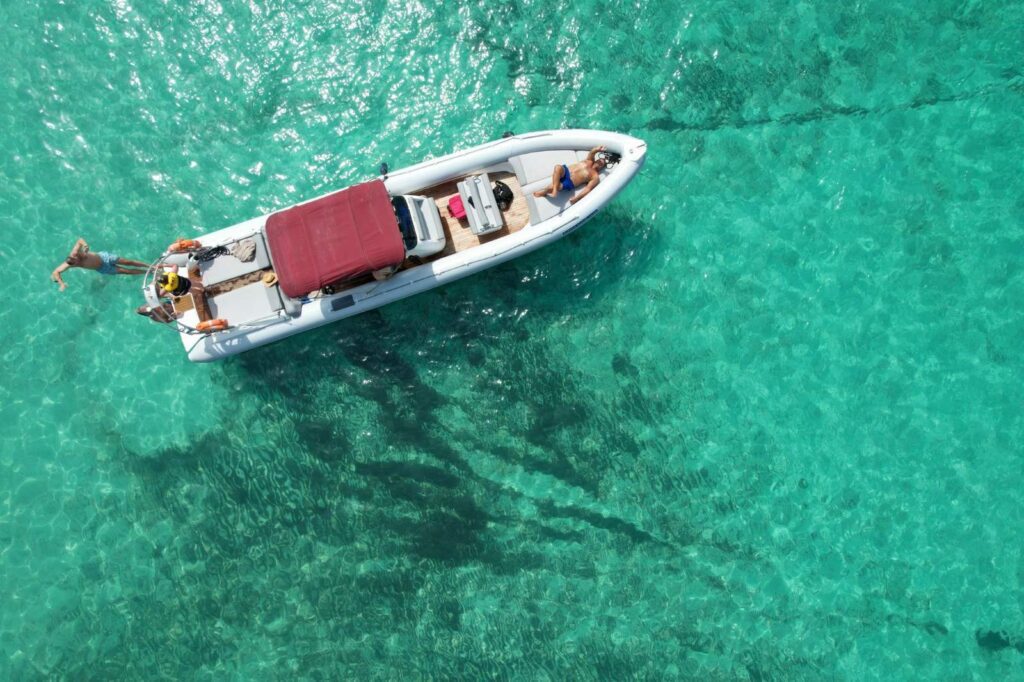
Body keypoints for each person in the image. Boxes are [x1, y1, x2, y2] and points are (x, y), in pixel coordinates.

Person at [532, 145, 620, 205]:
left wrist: (577, 199)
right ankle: (554, 190)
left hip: (570, 182)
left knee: (552, 187)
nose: (600, 163)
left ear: (602, 167)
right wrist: (598, 149)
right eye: (600, 160)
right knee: (557, 167)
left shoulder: (595, 176)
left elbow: (587, 189)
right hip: (565, 171)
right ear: (596, 160)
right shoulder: (589, 160)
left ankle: (545, 192)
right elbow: (592, 152)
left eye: (602, 164)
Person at [51, 238, 149, 291]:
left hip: (104, 257)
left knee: (128, 262)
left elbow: (79, 240)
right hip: (103, 268)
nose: (77, 261)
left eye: (76, 259)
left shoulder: (75, 252)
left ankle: (150, 266)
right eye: (75, 263)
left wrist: (85, 245)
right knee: (127, 271)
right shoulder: (70, 264)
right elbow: (56, 272)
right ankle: (147, 272)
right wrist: (61, 283)